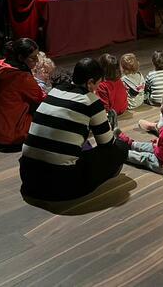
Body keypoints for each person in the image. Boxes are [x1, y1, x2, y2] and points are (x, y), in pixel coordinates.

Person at [19, 58, 128, 201]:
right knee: (120, 147)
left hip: (28, 176)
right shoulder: (91, 101)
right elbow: (106, 144)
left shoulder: (54, 92)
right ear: (90, 83)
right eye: (97, 83)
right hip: (62, 184)